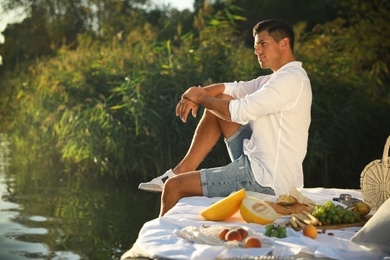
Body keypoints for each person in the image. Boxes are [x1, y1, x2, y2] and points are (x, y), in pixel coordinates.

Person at [138, 19, 312, 217]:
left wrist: (201, 98)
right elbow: (231, 88)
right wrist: (195, 94)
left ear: (284, 43)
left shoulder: (290, 79)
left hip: (266, 180)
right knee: (220, 99)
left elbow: (239, 111)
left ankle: (161, 245)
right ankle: (184, 168)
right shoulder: (273, 79)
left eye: (263, 43)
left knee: (173, 187)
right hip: (257, 161)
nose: (257, 51)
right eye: (255, 46)